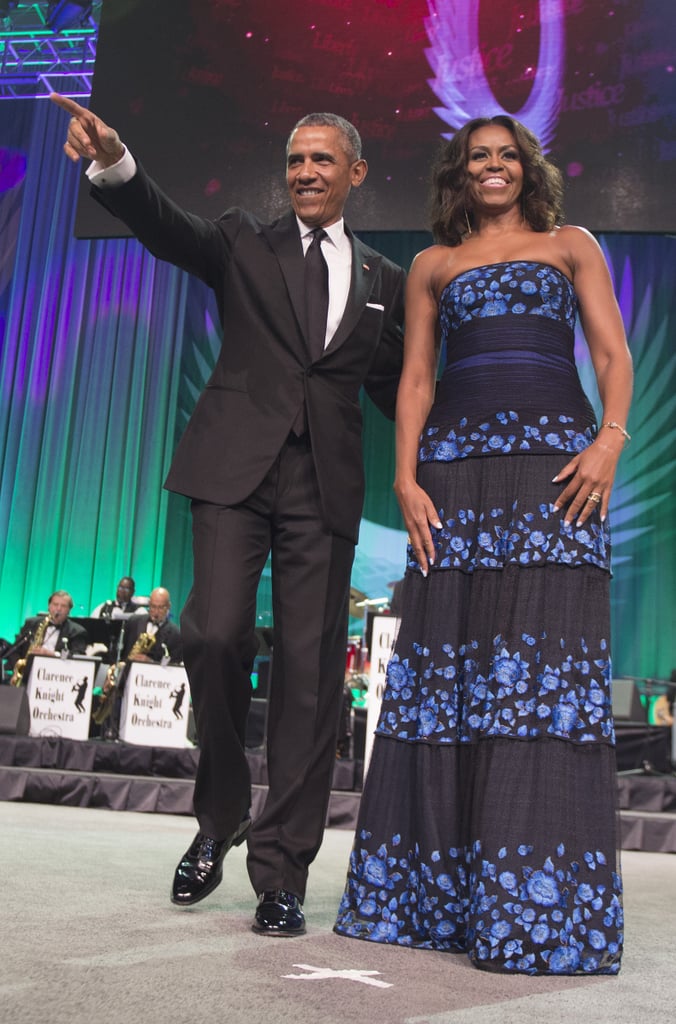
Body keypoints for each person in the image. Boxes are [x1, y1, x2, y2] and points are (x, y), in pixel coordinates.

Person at [51, 93, 405, 936]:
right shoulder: (246, 239)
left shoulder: (384, 281)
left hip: (325, 485)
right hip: (233, 472)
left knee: (313, 679)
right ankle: (218, 817)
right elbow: (169, 228)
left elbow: (402, 394)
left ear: (355, 174)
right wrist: (115, 162)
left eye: (322, 160)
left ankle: (279, 869)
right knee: (212, 636)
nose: (305, 173)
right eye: (295, 160)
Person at [334, 115, 632, 975]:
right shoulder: (433, 265)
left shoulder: (571, 243)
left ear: (526, 169)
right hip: (454, 481)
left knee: (541, 682)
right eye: (479, 157)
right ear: (459, 175)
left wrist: (610, 439)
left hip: (556, 472)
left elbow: (611, 355)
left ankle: (539, 913)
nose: (494, 167)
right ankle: (433, 903)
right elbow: (417, 378)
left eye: (507, 155)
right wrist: (405, 478)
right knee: (449, 674)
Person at [9, 590, 89, 678]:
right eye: (55, 604)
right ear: (49, 606)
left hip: (56, 675)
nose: (58, 609)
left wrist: (53, 654)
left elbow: (77, 657)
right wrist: (17, 670)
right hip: (28, 672)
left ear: (69, 610)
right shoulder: (31, 623)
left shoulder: (77, 631)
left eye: (63, 606)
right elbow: (15, 650)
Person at [121, 587, 183, 666]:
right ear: (149, 604)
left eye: (160, 608)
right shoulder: (133, 622)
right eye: (153, 606)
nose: (156, 612)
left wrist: (152, 663)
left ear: (168, 606)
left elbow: (174, 666)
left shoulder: (176, 634)